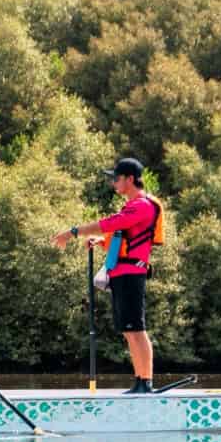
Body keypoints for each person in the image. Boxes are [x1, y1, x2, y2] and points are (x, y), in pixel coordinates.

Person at [52, 156, 165, 393]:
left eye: (117, 178)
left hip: (132, 274)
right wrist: (101, 242)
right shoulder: (132, 205)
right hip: (121, 273)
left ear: (130, 179)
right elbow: (123, 238)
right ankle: (139, 381)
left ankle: (146, 382)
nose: (114, 183)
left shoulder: (142, 205)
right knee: (128, 330)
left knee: (137, 329)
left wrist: (73, 232)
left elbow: (109, 224)